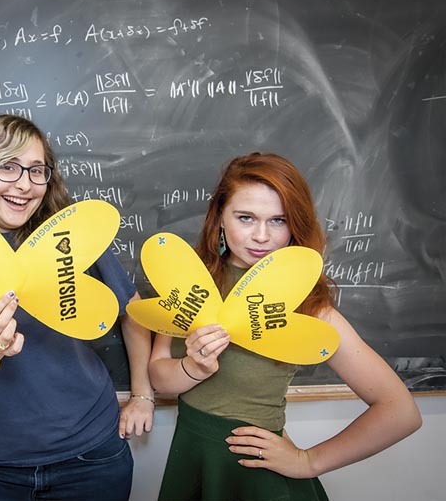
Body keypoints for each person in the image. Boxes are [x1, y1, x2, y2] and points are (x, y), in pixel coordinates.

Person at [149, 152, 422, 500]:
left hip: (257, 479)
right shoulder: (187, 280)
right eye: (245, 217)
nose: (261, 235)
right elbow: (159, 376)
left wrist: (308, 461)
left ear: (295, 225)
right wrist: (194, 366)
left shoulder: (305, 307)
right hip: (192, 462)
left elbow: (400, 411)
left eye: (278, 220)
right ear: (219, 217)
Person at [0, 114, 154, 500]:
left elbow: (132, 310)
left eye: (37, 170)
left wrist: (142, 395)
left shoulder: (67, 237)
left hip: (91, 459)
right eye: (8, 167)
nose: (25, 185)